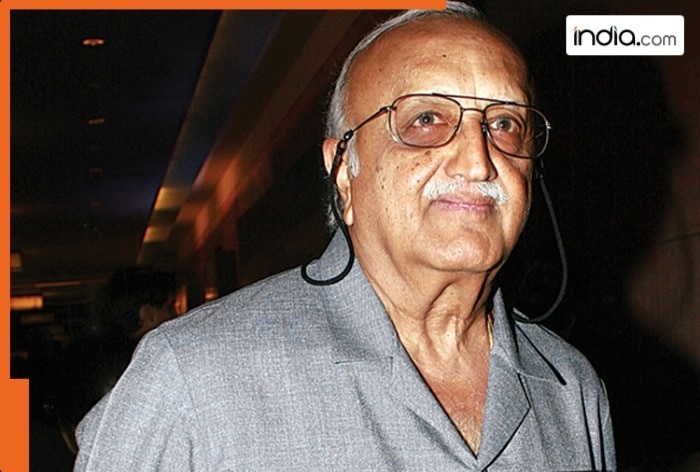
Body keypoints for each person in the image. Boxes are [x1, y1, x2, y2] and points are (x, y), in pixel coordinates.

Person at [74, 4, 616, 470]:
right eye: (426, 119)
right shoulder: (191, 376)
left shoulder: (571, 386)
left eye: (504, 123)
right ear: (342, 171)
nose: (478, 161)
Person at [47, 266, 177, 457]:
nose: (176, 316)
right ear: (147, 313)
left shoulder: (84, 360)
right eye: (170, 307)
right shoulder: (151, 364)